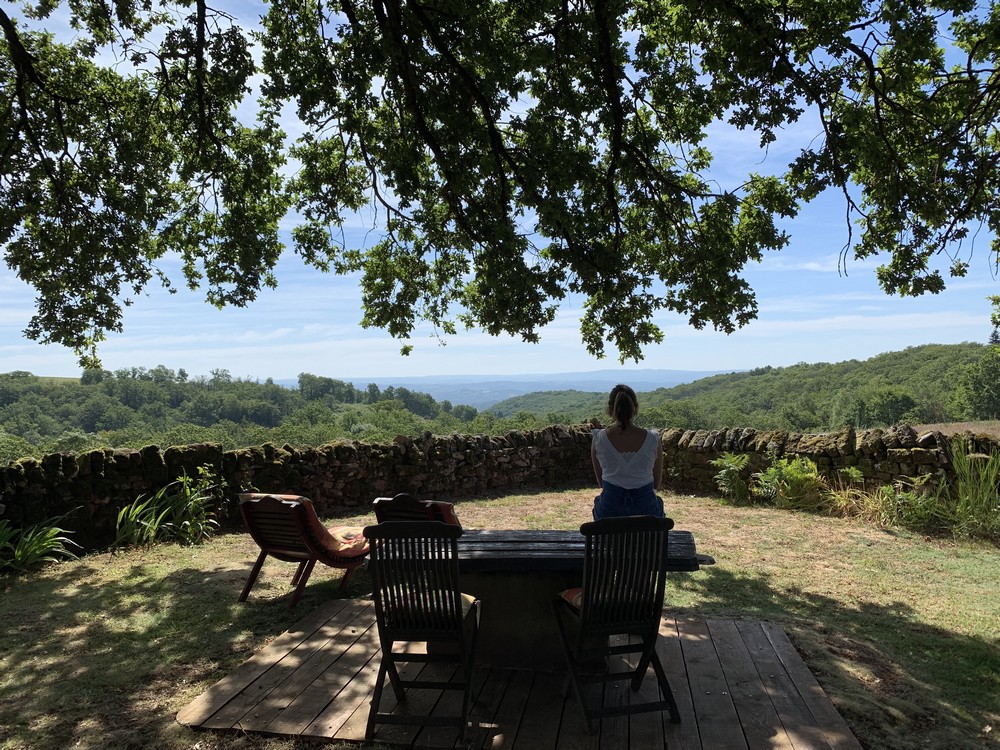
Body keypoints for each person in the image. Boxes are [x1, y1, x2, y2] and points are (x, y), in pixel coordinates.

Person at [591, 384, 665, 519]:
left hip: (609, 514)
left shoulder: (598, 439)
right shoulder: (653, 439)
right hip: (647, 513)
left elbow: (601, 483)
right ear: (635, 408)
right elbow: (656, 483)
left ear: (610, 409)